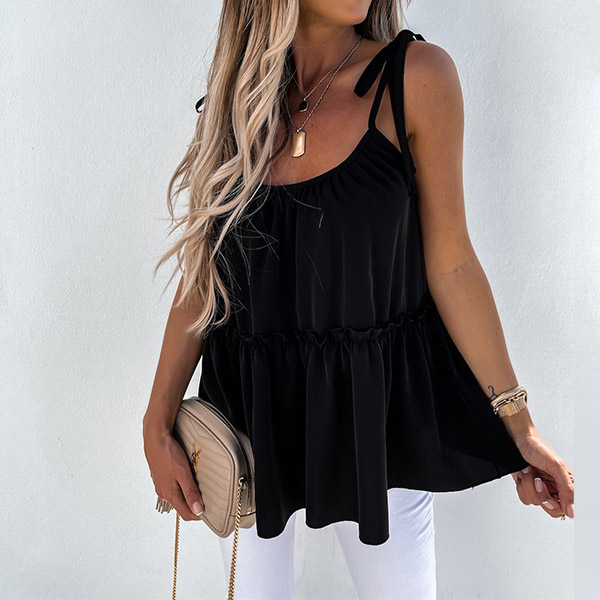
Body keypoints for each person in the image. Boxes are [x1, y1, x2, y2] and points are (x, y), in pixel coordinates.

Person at [143, 1, 575, 597]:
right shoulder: (240, 99)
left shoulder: (415, 78)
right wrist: (156, 419)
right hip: (248, 421)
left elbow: (452, 265)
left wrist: (519, 425)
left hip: (380, 418)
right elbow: (204, 278)